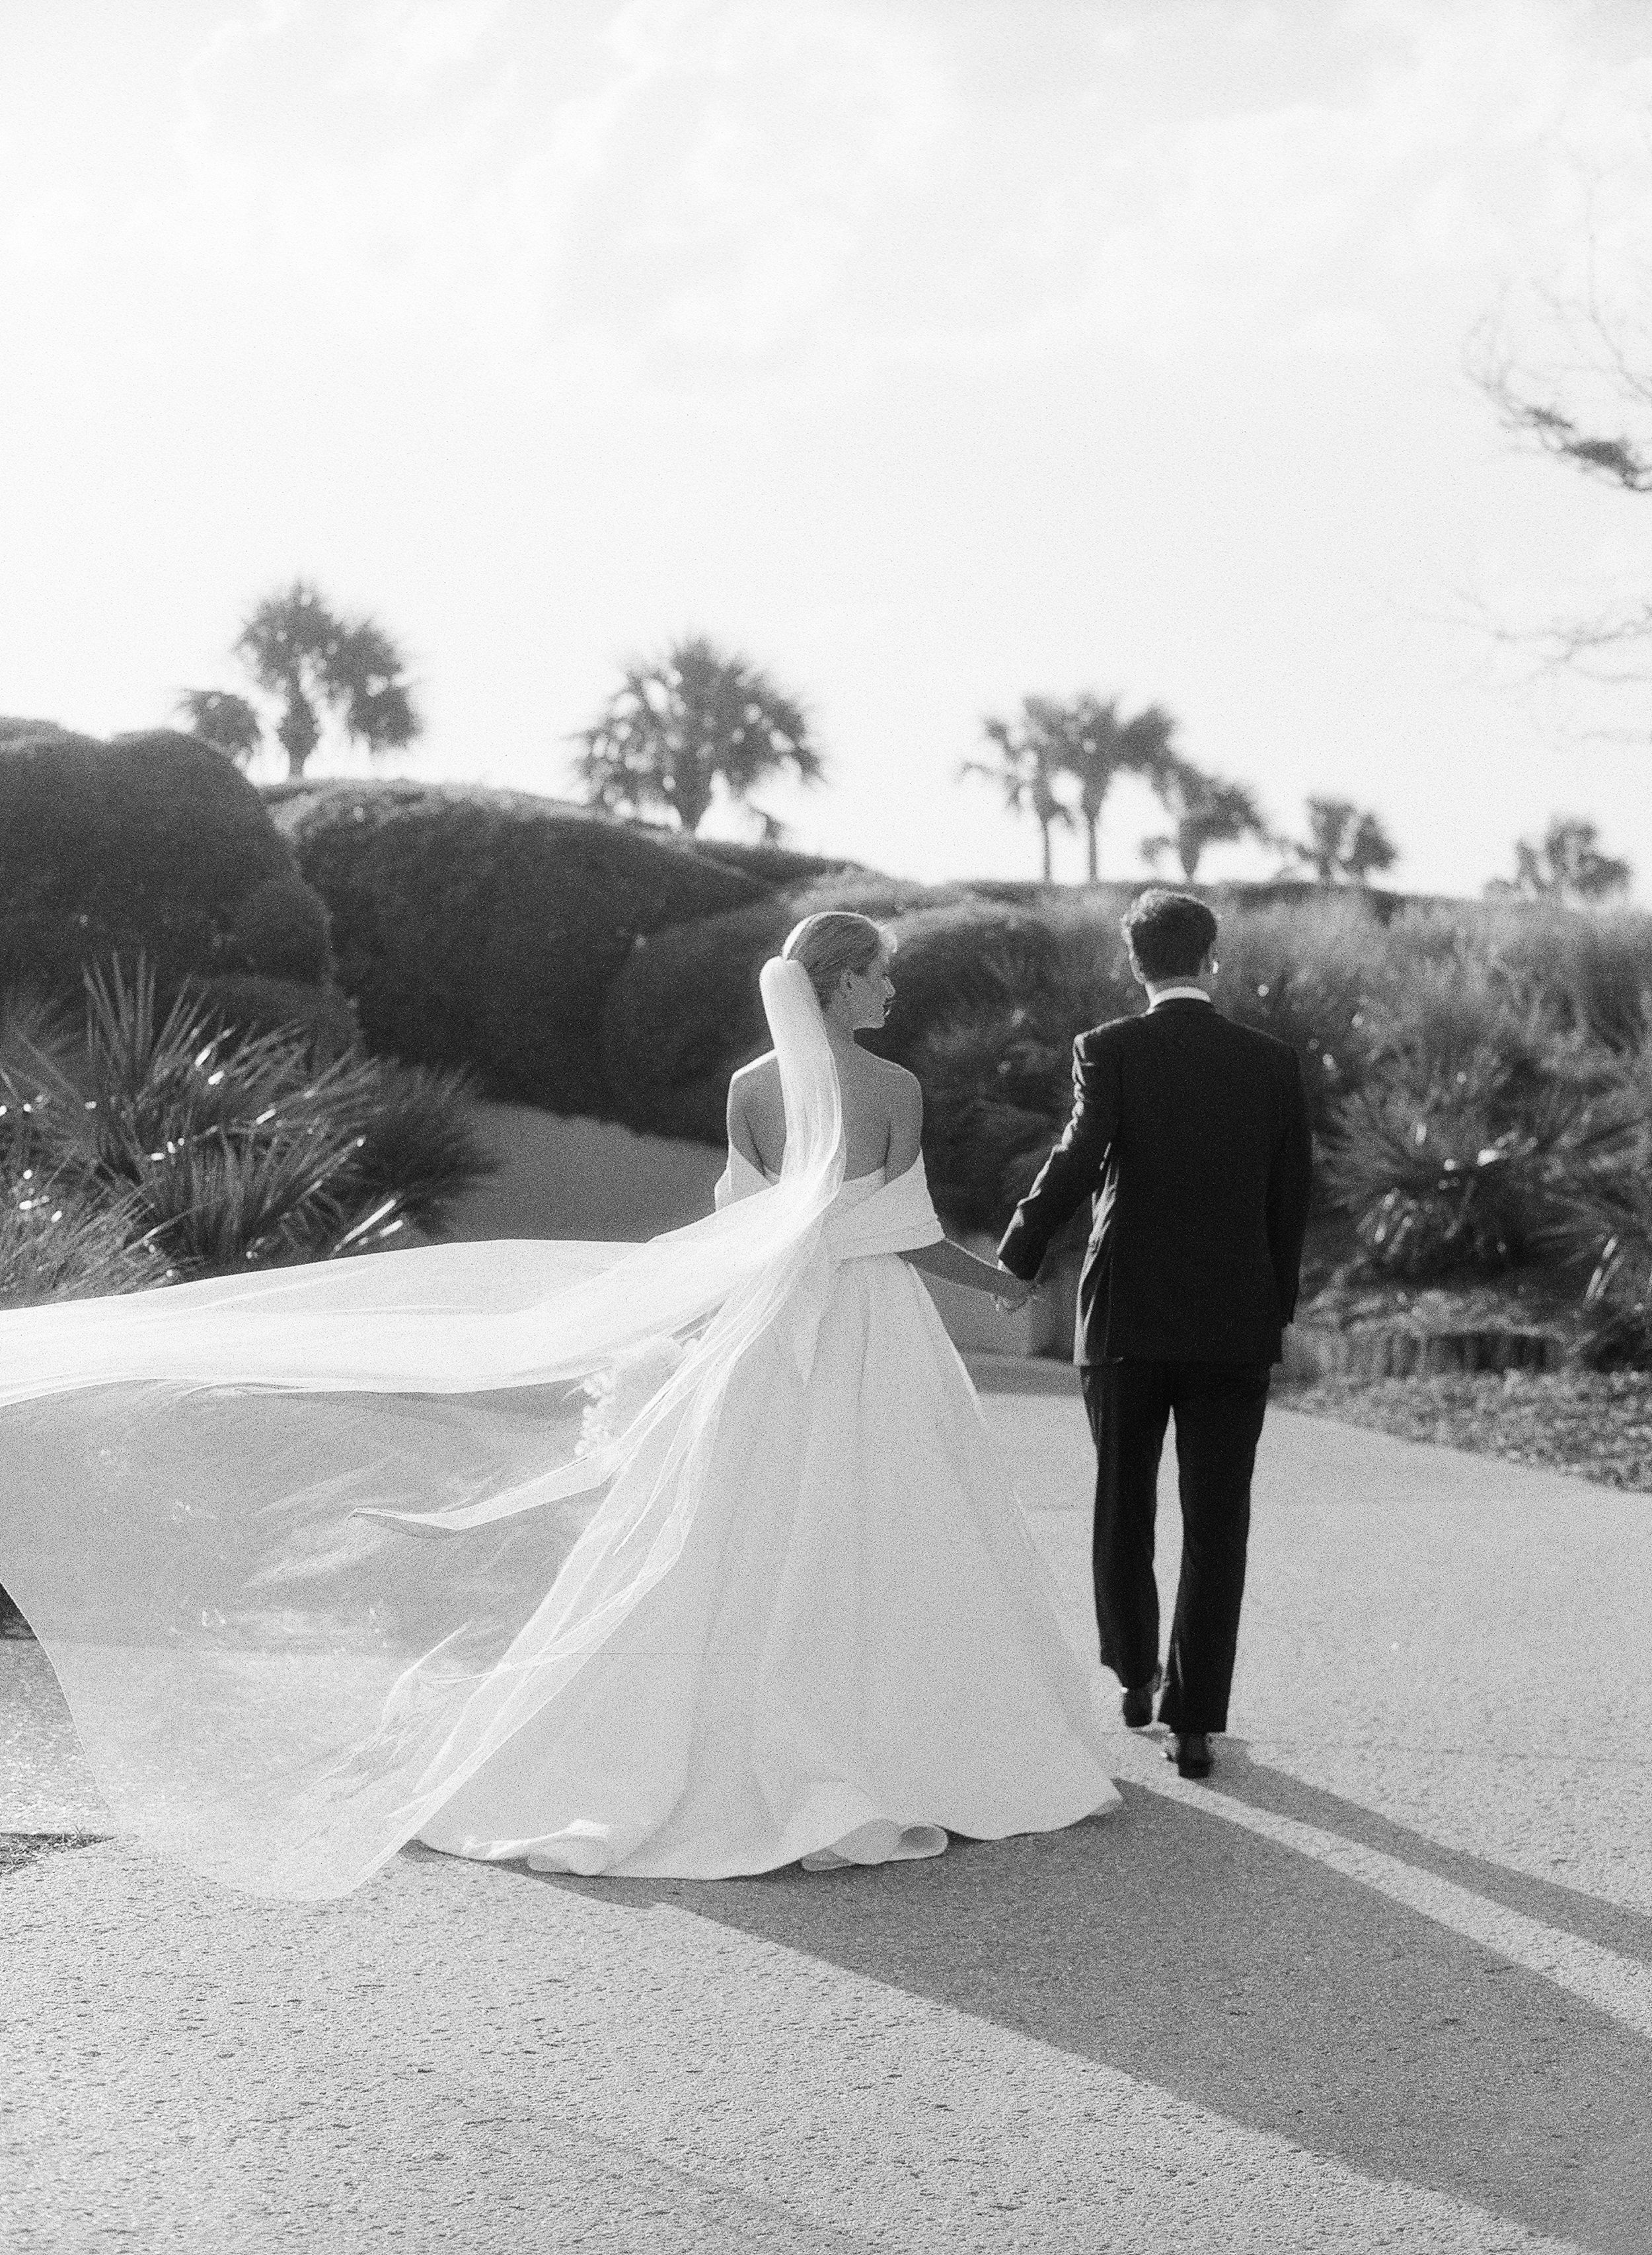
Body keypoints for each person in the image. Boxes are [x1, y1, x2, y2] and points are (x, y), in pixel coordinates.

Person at [0, 911, 1119, 1898]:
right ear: (834, 983)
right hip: (874, 1330)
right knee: (891, 1528)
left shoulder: (748, 1090)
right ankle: (922, 1740)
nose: (891, 992)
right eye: (878, 974)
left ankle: (707, 1739)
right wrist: (1005, 1282)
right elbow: (909, 1236)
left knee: (734, 1533)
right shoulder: (895, 1090)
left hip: (774, 1328)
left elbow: (745, 1229)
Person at [996, 888, 1313, 1781]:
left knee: (1121, 1502)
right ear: (1212, 959)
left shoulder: (1110, 1050)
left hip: (1126, 1318)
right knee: (1219, 1522)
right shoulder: (1271, 1063)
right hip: (1232, 1327)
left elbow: (1078, 1154)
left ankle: (1135, 1673)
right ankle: (1194, 1722)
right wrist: (1271, 1309)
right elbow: (1290, 1203)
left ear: (1135, 966)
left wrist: (1019, 1256)